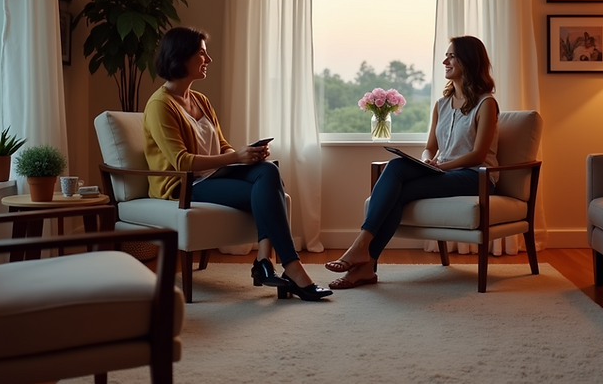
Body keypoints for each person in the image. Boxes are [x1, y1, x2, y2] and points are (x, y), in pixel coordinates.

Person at [144, 26, 331, 301]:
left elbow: (222, 146)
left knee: (268, 169)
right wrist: (236, 157)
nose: (208, 60)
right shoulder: (160, 105)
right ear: (181, 56)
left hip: (215, 175)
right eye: (202, 54)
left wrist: (249, 156)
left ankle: (266, 261)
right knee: (268, 192)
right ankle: (287, 266)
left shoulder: (200, 100)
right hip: (185, 185)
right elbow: (182, 162)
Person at [325, 36, 500, 289]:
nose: (445, 61)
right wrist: (427, 161)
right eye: (446, 56)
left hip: (476, 177)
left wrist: (441, 167)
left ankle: (362, 251)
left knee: (399, 188)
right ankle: (365, 263)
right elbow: (430, 148)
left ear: (469, 60)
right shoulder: (442, 104)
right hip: (445, 172)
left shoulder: (486, 103)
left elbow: (478, 154)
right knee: (396, 168)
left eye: (451, 56)